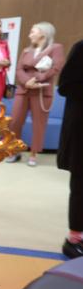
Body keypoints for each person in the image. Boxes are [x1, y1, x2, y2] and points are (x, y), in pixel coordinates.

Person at [6, 22, 65, 166]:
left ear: (43, 33)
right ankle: (15, 151)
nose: (29, 35)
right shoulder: (26, 50)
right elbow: (19, 69)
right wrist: (27, 82)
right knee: (14, 121)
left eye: (33, 32)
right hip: (24, 90)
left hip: (41, 92)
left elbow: (56, 67)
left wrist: (38, 78)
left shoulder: (55, 48)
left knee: (38, 124)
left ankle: (34, 153)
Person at [57, 39, 83, 258]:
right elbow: (66, 85)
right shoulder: (81, 48)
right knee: (81, 184)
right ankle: (75, 237)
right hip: (81, 129)